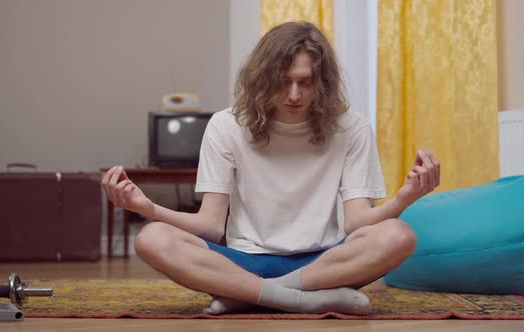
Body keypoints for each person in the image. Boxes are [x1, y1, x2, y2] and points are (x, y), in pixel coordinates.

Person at [102, 21, 440, 315]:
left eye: (305, 82)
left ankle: (253, 296)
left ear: (322, 82)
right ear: (263, 78)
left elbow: (356, 223)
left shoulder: (352, 127)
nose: (294, 94)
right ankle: (303, 301)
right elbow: (208, 226)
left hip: (325, 264)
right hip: (245, 261)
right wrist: (145, 208)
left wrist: (405, 198)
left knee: (399, 235)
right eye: (283, 81)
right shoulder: (225, 125)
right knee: (151, 239)